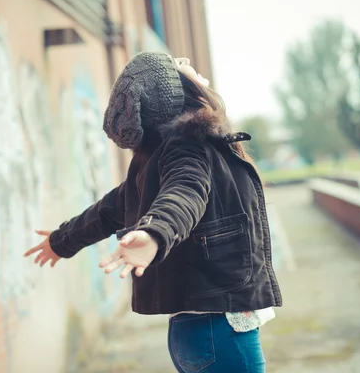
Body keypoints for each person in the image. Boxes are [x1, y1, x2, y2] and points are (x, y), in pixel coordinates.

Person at [24, 52, 282, 372]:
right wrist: (154, 232)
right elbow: (185, 192)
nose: (187, 60)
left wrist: (62, 240)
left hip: (199, 333)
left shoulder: (157, 159)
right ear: (174, 91)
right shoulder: (188, 146)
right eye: (179, 64)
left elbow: (109, 209)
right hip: (218, 331)